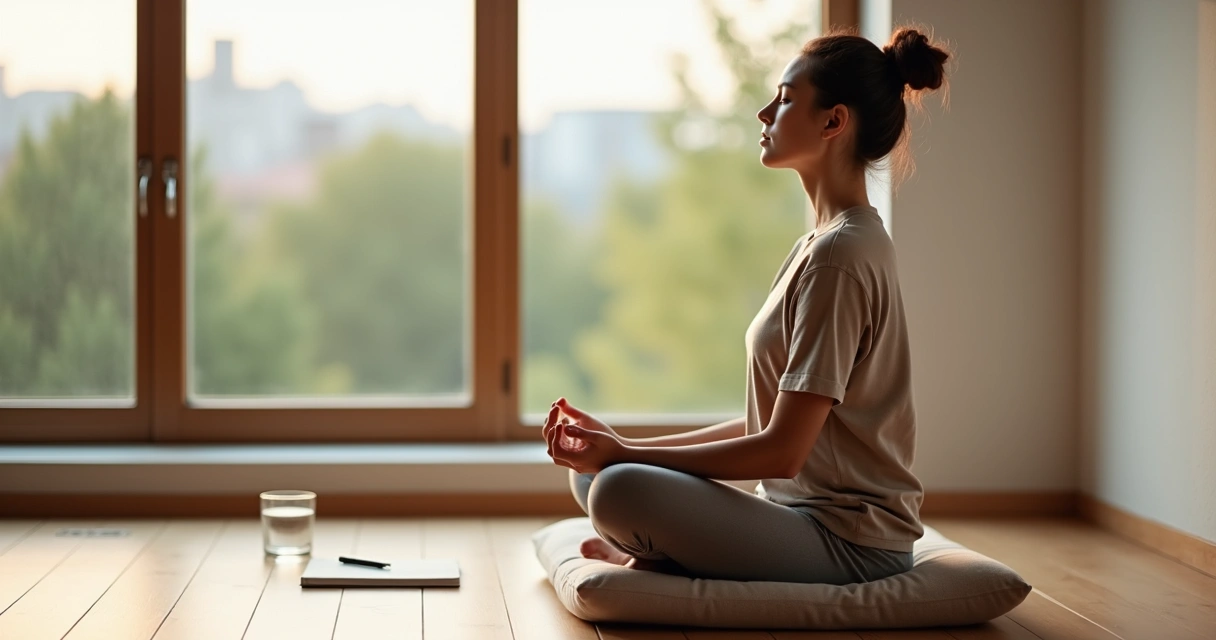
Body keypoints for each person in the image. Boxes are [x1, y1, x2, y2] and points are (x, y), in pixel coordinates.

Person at [541, 27, 950, 586]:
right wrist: (620, 447)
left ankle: (655, 559)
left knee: (615, 486)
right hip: (793, 513)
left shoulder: (840, 256)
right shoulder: (824, 242)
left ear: (833, 122)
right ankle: (657, 553)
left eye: (783, 100)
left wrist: (627, 454)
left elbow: (781, 452)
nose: (764, 113)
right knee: (595, 478)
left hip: (849, 543)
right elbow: (774, 422)